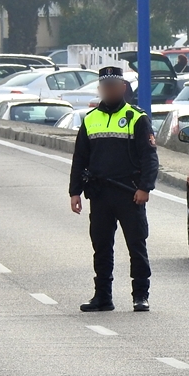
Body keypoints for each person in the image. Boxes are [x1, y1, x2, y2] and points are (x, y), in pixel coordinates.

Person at [69, 66, 159, 313]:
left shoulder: (137, 118)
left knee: (136, 246)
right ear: (100, 89)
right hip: (99, 194)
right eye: (104, 87)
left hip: (129, 193)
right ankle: (102, 297)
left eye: (113, 86)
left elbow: (149, 157)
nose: (108, 90)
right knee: (101, 247)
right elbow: (80, 158)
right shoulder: (90, 119)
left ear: (122, 88)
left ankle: (140, 295)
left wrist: (145, 187)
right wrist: (74, 191)